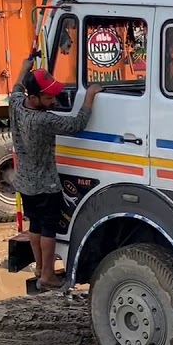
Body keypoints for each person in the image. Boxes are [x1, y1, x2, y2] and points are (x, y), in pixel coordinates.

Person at [9, 51, 103, 290]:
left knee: (35, 227)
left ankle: (40, 268)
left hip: (25, 183)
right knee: (49, 228)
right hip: (45, 185)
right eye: (50, 97)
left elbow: (17, 87)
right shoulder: (43, 121)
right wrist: (90, 95)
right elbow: (77, 124)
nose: (54, 101)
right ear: (37, 97)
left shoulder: (17, 104)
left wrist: (25, 65)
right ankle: (48, 275)